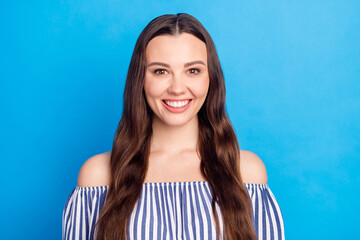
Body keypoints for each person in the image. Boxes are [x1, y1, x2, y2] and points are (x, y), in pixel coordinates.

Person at [62, 13, 285, 240]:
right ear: (140, 80)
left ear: (211, 78)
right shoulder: (99, 176)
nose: (177, 88)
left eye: (193, 71)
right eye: (161, 71)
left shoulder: (245, 172)